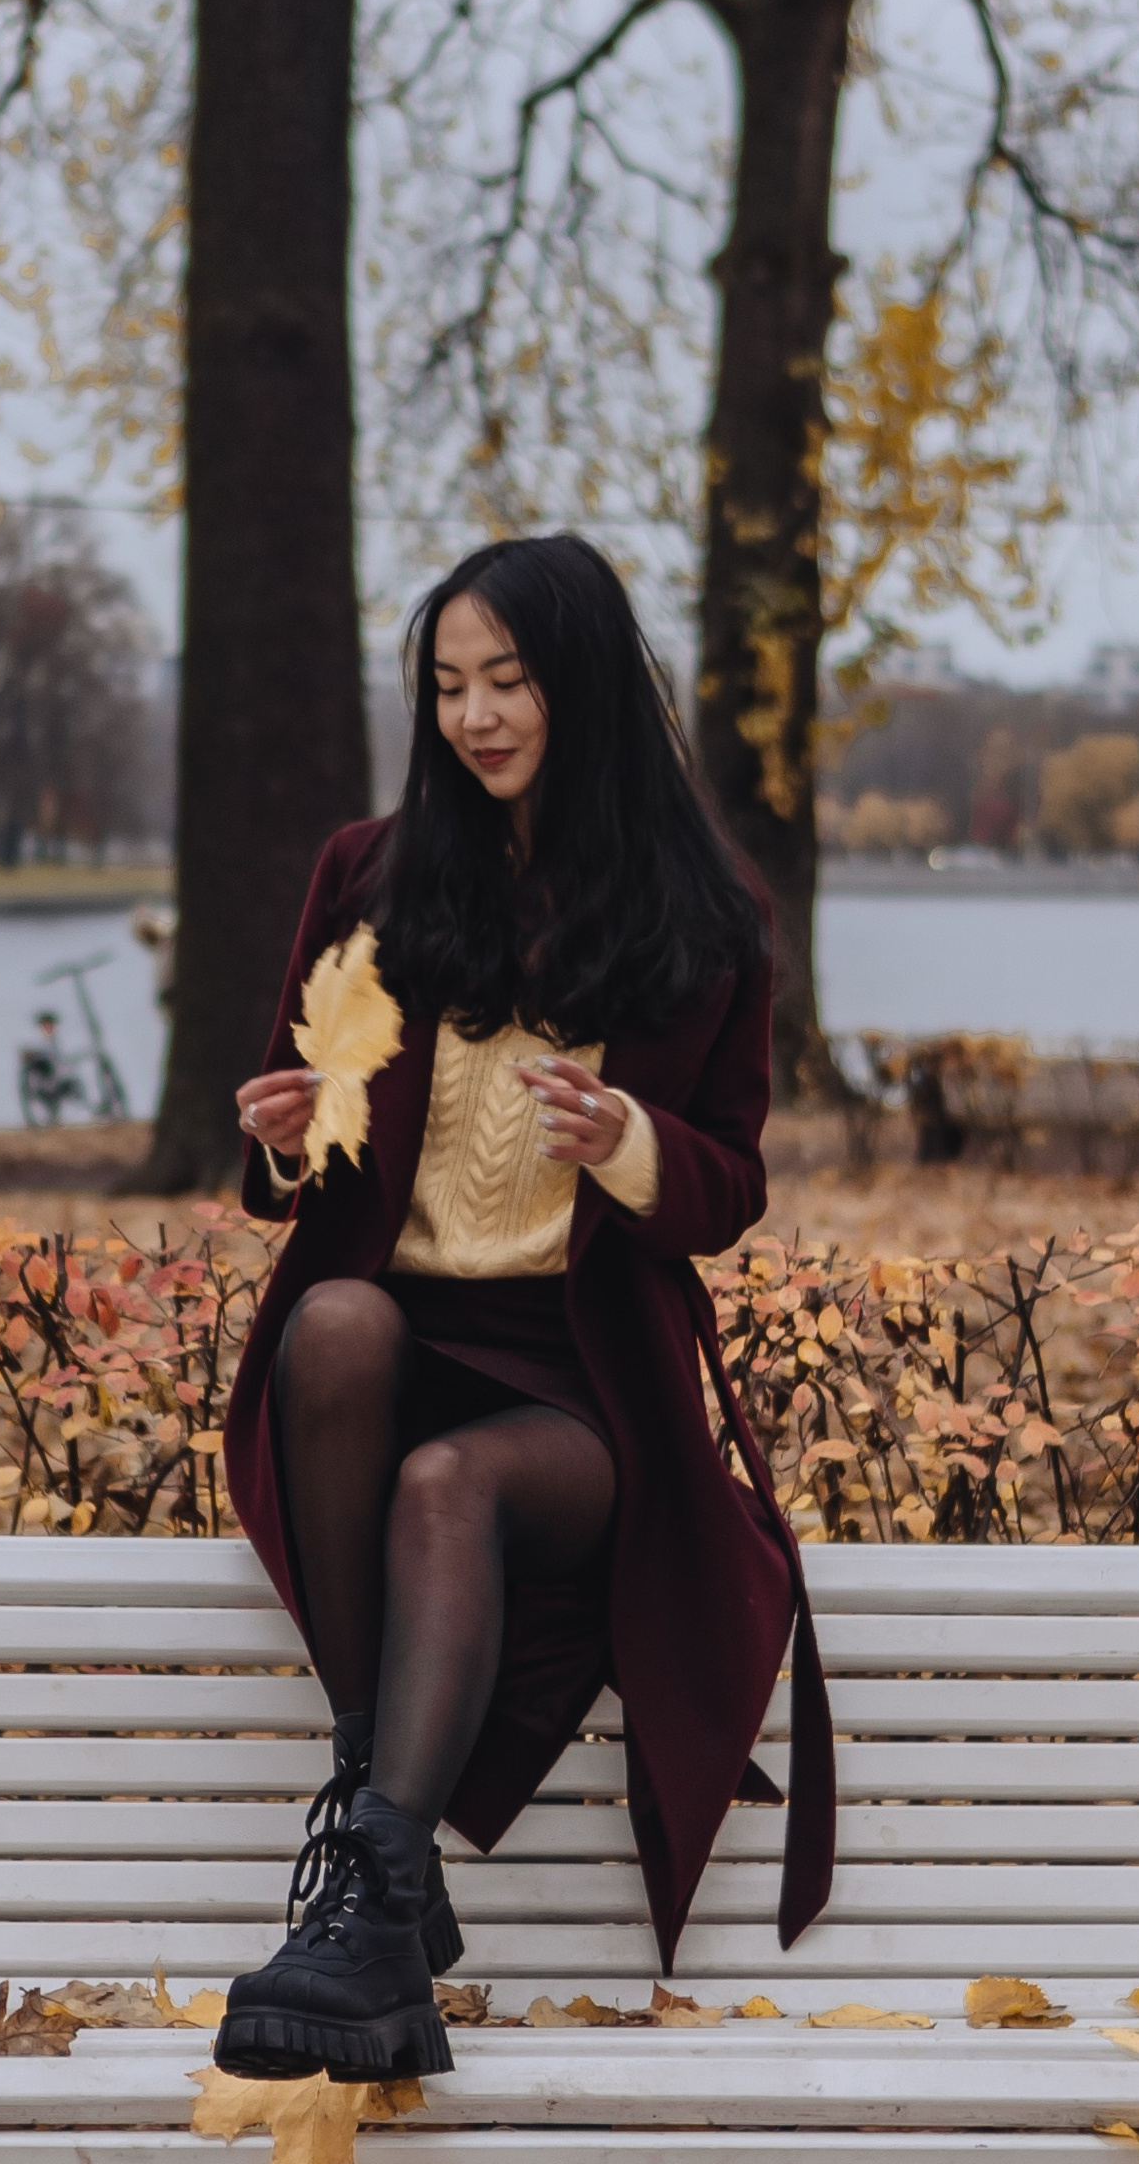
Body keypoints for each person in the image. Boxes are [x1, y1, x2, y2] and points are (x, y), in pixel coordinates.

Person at [215, 532, 835, 2083]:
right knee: (335, 1326)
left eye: (508, 680)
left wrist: (637, 1148)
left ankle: (364, 1881)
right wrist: (283, 1149)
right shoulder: (369, 874)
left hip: (580, 1385)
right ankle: (386, 1879)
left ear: (584, 686)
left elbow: (734, 1184)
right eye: (447, 685)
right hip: (403, 1338)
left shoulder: (705, 908)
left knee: (453, 1481)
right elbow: (296, 1158)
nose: (475, 715)